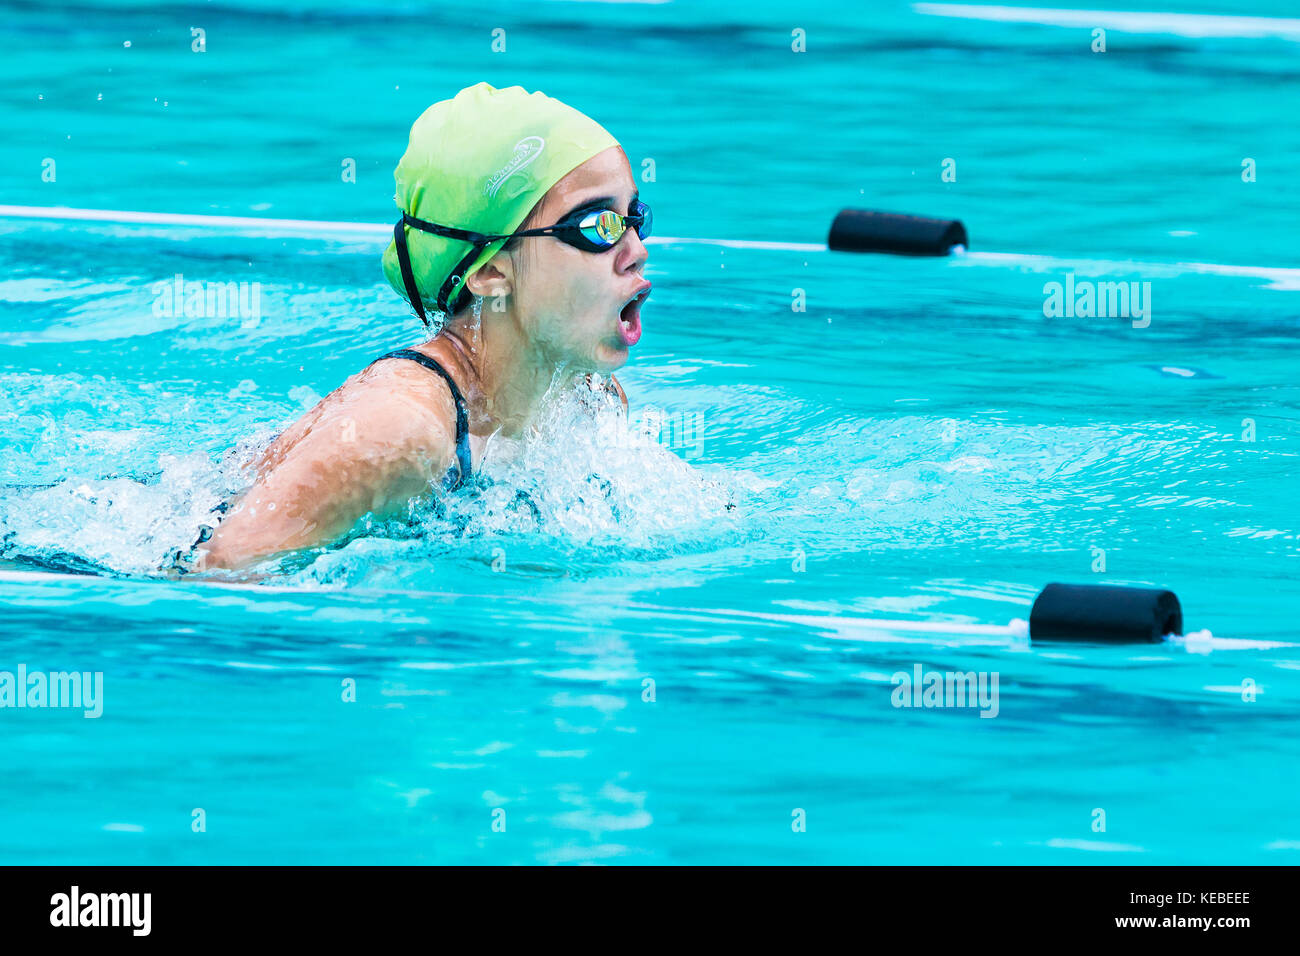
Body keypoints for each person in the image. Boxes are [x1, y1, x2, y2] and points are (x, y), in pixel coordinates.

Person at [188, 82, 652, 572]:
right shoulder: (397, 431)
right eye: (598, 225)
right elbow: (218, 573)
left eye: (635, 218)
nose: (637, 250)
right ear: (491, 271)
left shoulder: (590, 401)